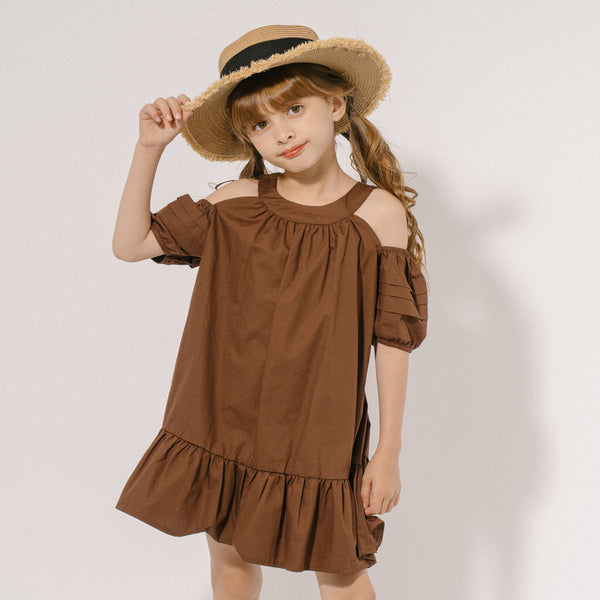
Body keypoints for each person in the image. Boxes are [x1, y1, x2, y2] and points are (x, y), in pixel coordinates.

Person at [112, 24, 429, 600]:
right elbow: (130, 244)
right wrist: (149, 149)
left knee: (341, 573)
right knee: (230, 564)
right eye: (259, 124)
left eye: (294, 109)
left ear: (336, 106)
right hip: (223, 416)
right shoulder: (236, 204)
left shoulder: (377, 214)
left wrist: (388, 449)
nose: (280, 132)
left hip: (318, 427)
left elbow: (393, 338)